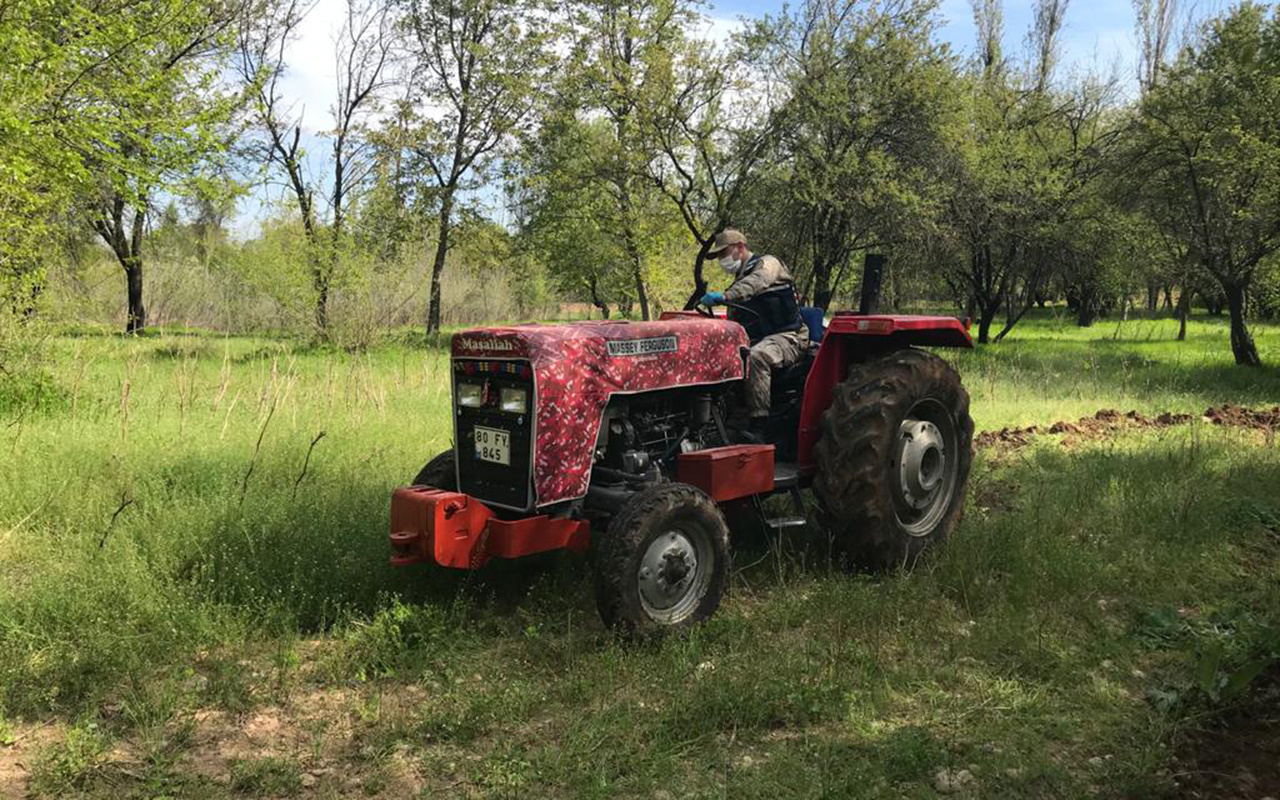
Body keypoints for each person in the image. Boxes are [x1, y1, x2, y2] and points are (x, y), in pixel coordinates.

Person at [700, 229, 808, 437]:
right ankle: (720, 421)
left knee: (757, 357)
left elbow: (758, 282)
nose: (722, 260)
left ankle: (760, 425)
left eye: (725, 253)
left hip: (788, 337)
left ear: (740, 247)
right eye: (719, 256)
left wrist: (726, 295)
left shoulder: (768, 264)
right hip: (758, 339)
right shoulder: (738, 281)